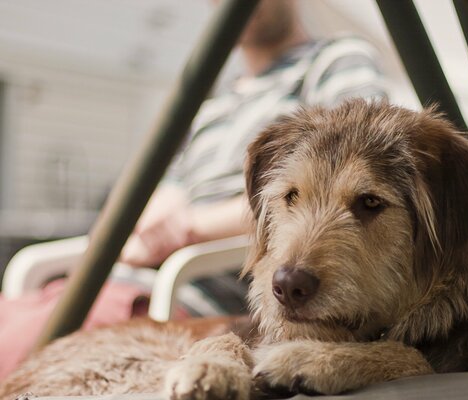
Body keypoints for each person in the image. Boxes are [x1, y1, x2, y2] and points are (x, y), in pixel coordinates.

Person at [0, 0, 393, 378]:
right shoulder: (213, 103)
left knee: (25, 343)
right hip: (136, 274)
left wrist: (189, 228)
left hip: (194, 288)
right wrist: (146, 229)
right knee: (12, 319)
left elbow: (350, 173)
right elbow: (164, 196)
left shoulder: (332, 60)